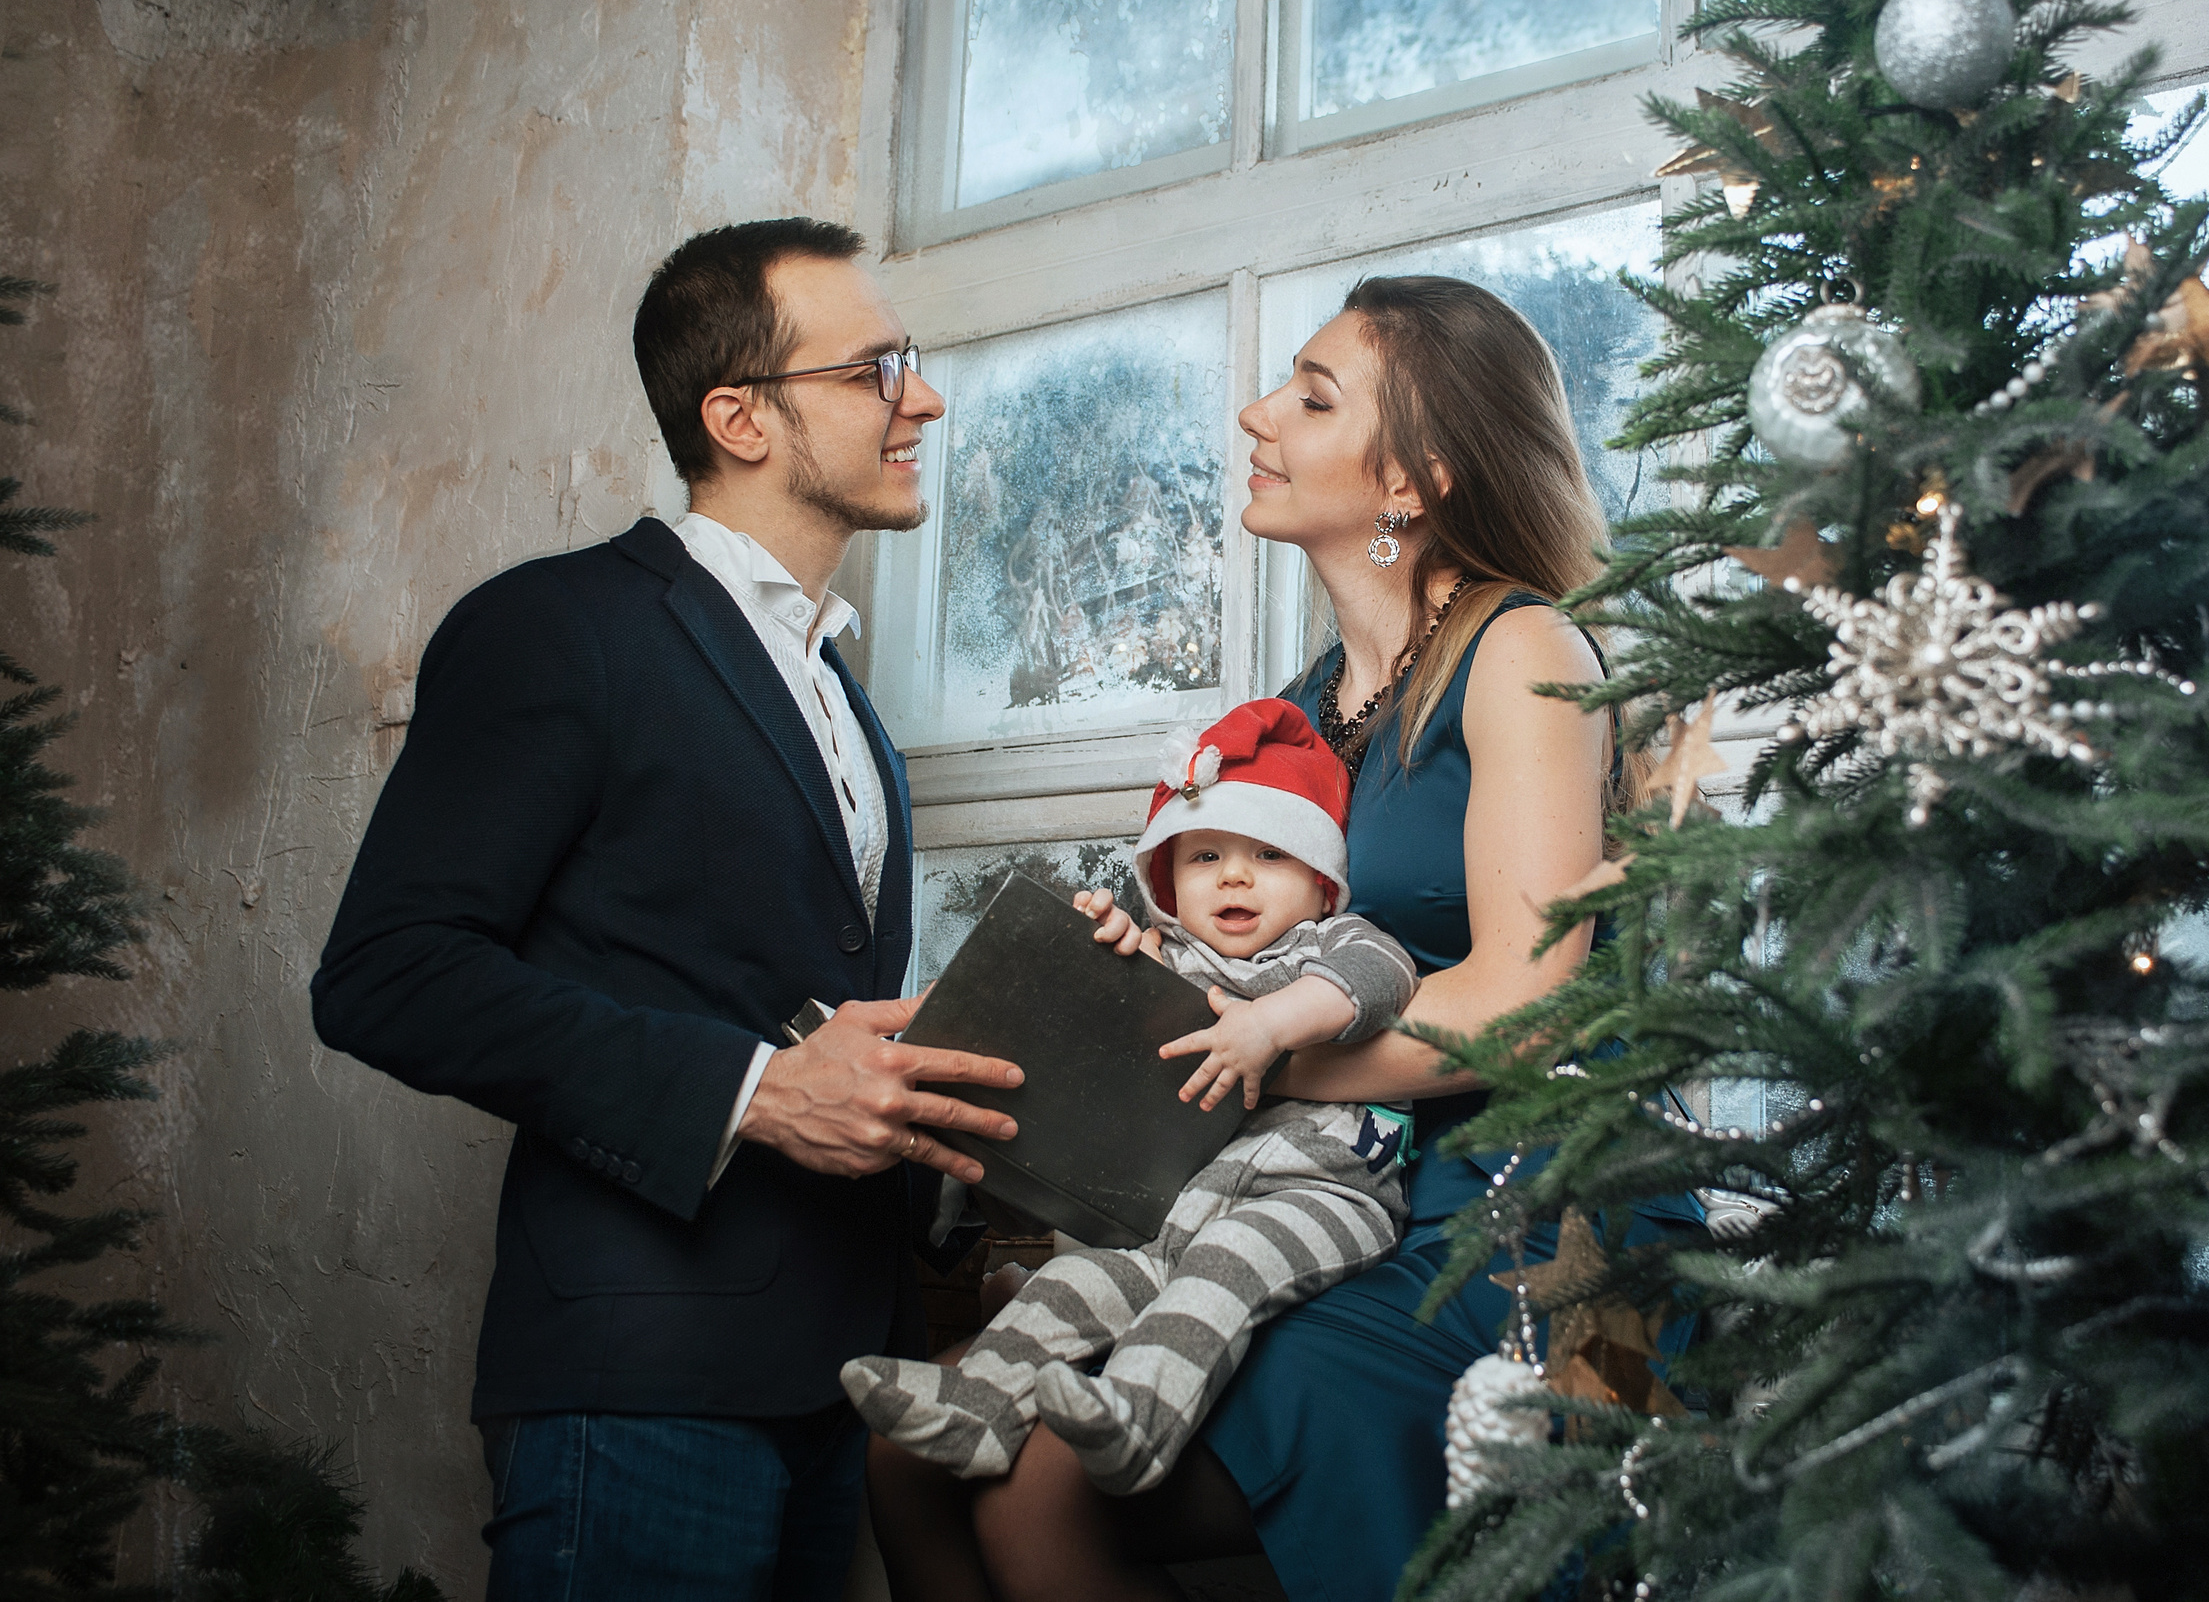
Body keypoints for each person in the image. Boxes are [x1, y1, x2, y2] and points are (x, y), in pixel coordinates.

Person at [868, 274, 1692, 1602]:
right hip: (1303, 1196)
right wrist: (1113, 983)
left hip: (1519, 1222)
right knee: (908, 1464)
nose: (1256, 413)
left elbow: (1524, 1000)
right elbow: (1227, 966)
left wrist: (1246, 1052)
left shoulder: (1525, 647)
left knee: (1037, 1486)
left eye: (1311, 395)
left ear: (1415, 477)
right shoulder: (1290, 721)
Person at [309, 217, 1028, 1601]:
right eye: (879, 367)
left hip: (841, 1382)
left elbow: (778, 987)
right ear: (739, 416)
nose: (921, 397)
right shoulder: (556, 625)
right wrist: (756, 1092)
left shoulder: (842, 697)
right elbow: (386, 972)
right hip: (634, 1380)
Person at [842, 697, 1418, 1498]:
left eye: (1269, 854)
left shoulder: (1328, 940)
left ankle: (1139, 1417)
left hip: (1322, 1185)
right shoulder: (1171, 959)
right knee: (1079, 1280)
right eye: (1206, 856)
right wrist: (1104, 957)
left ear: (1323, 886)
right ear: (1169, 886)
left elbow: (1384, 981)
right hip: (1183, 1199)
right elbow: (1100, 1051)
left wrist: (1270, 1023)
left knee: (1224, 1269)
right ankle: (978, 1405)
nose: (1236, 875)